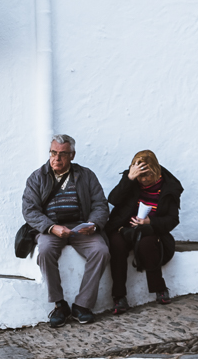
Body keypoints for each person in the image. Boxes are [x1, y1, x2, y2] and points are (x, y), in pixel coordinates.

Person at [22, 134, 110, 327]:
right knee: (44, 251)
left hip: (81, 228)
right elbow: (29, 209)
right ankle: (59, 304)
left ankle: (82, 305)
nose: (57, 158)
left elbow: (100, 204)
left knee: (101, 251)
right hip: (51, 228)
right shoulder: (37, 177)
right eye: (53, 153)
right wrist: (51, 227)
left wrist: (93, 224)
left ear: (72, 155)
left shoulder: (86, 175)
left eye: (63, 154)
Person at [106, 150, 183, 313]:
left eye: (148, 175)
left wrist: (150, 221)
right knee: (116, 245)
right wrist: (129, 179)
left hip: (150, 230)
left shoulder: (170, 187)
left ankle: (159, 288)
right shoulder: (131, 179)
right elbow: (113, 199)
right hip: (124, 228)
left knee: (147, 243)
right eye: (140, 176)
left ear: (156, 171)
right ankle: (119, 297)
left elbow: (173, 219)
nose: (144, 180)